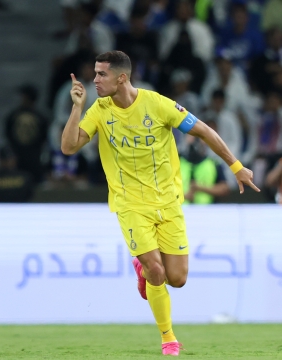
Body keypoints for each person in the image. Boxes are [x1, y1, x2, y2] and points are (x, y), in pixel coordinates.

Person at [61, 51, 259, 356]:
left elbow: (204, 131)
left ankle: (143, 270)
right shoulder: (99, 110)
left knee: (176, 279)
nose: (95, 80)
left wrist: (236, 167)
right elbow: (69, 147)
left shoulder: (158, 104)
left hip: (168, 202)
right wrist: (77, 108)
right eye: (95, 74)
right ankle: (168, 338)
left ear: (121, 77)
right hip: (129, 204)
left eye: (102, 74)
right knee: (157, 270)